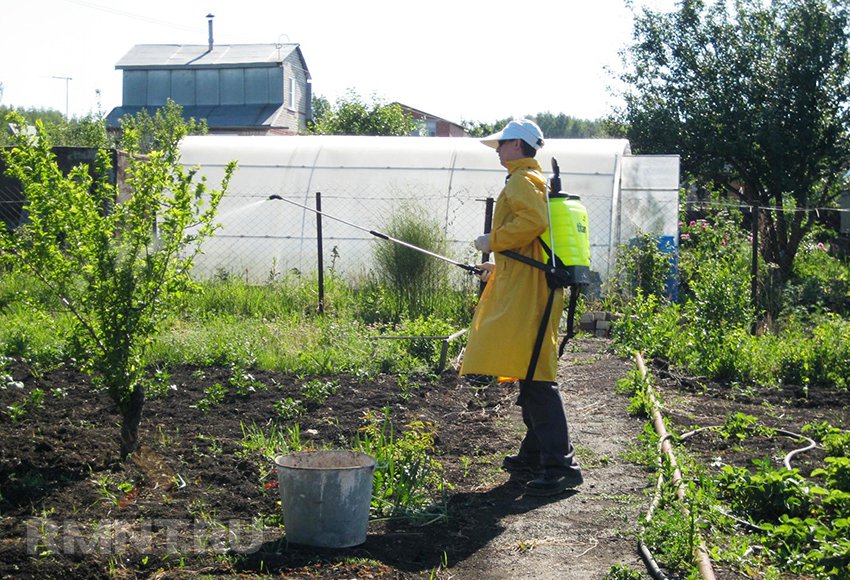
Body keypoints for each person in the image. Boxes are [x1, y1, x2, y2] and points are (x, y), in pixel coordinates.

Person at [460, 118, 583, 496]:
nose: (497, 149)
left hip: (532, 292)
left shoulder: (521, 181)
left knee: (536, 375)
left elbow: (534, 221)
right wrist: (500, 265)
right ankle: (534, 455)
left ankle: (560, 466)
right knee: (527, 369)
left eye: (502, 143)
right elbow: (536, 243)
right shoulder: (531, 179)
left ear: (517, 145)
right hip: (531, 284)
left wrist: (492, 240)